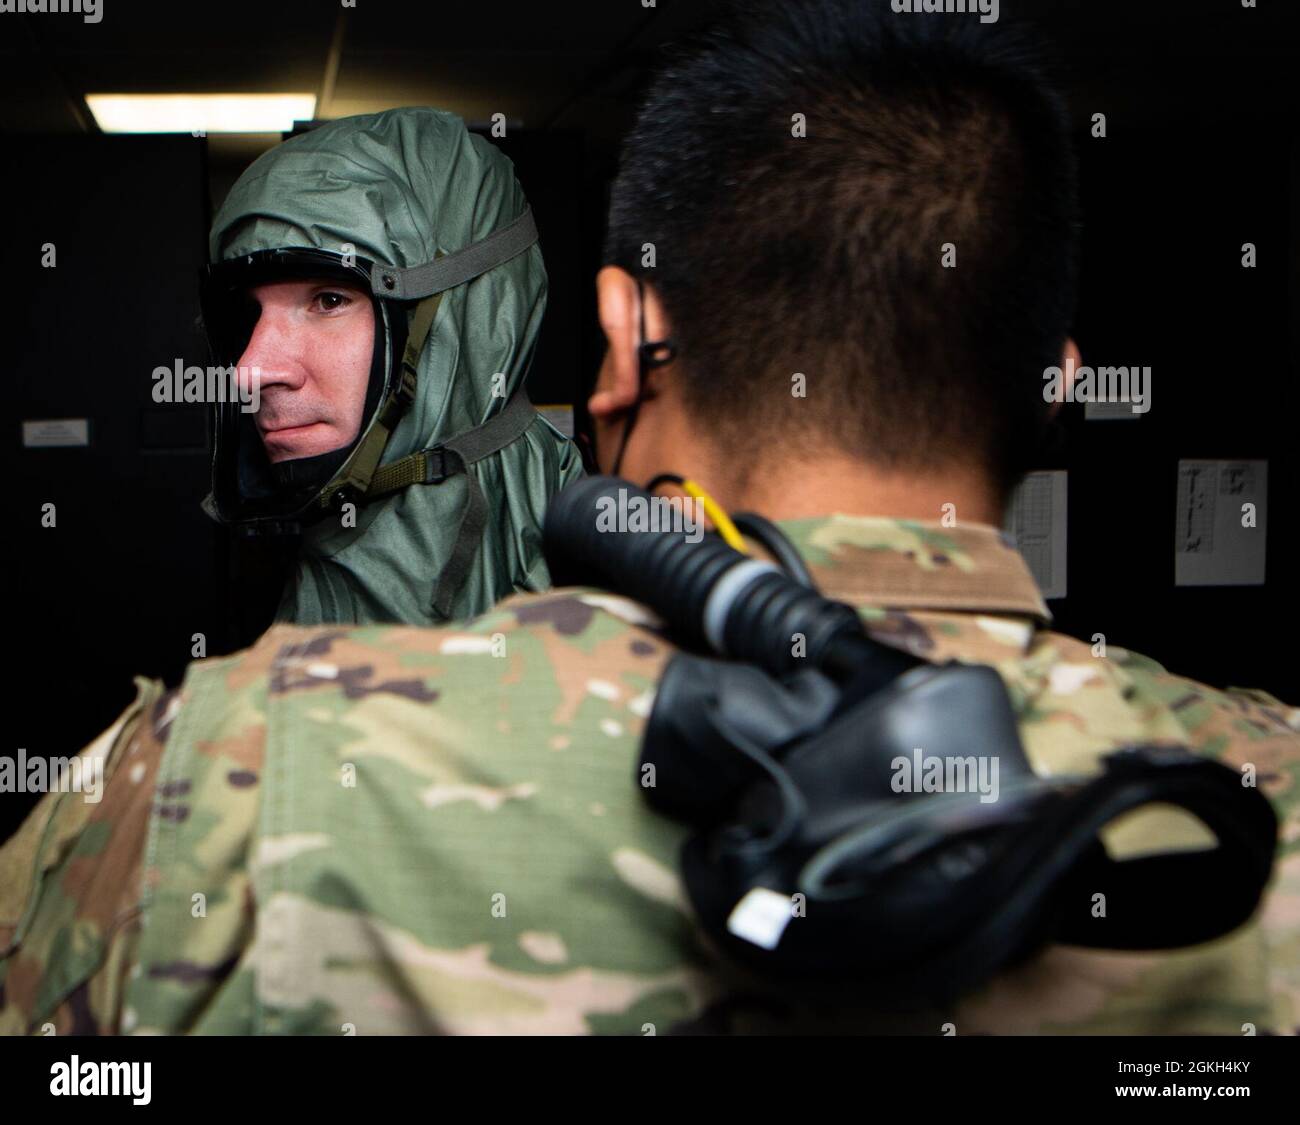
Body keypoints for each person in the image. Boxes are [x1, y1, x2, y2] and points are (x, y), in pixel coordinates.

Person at [1, 1, 1297, 1036]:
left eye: (327, 302)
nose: (259, 368)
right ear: (1054, 387)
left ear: (622, 342)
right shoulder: (1269, 789)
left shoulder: (216, 771)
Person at [199, 105, 584, 626]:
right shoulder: (287, 582)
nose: (250, 370)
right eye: (251, 314)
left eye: (329, 301)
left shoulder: (609, 591)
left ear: (458, 321)